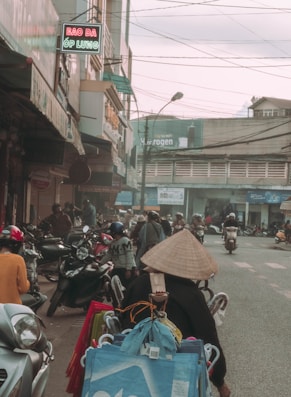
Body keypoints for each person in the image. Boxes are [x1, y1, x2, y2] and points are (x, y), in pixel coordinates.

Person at [120, 229, 231, 397]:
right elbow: (209, 338)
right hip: (177, 376)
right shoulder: (192, 295)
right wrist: (220, 381)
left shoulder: (137, 285)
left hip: (132, 369)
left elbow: (121, 322)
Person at [98, 221, 137, 288]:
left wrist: (128, 270)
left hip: (126, 268)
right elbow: (109, 254)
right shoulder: (113, 243)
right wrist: (100, 263)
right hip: (118, 268)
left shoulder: (125, 241)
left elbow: (129, 256)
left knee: (126, 288)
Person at [0, 225, 30, 304]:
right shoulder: (18, 260)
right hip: (11, 309)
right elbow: (23, 288)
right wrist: (28, 283)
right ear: (17, 245)